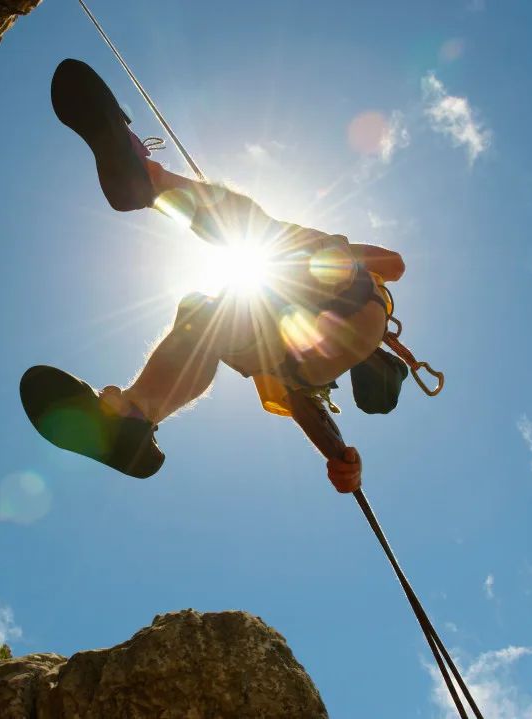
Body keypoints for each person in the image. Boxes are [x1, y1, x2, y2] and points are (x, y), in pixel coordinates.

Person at [20, 59, 406, 483]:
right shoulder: (298, 366)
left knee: (266, 241)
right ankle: (133, 417)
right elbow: (304, 404)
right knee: (204, 315)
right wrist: (338, 457)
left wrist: (337, 250)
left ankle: (150, 180)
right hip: (300, 357)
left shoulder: (336, 290)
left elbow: (394, 264)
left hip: (349, 317)